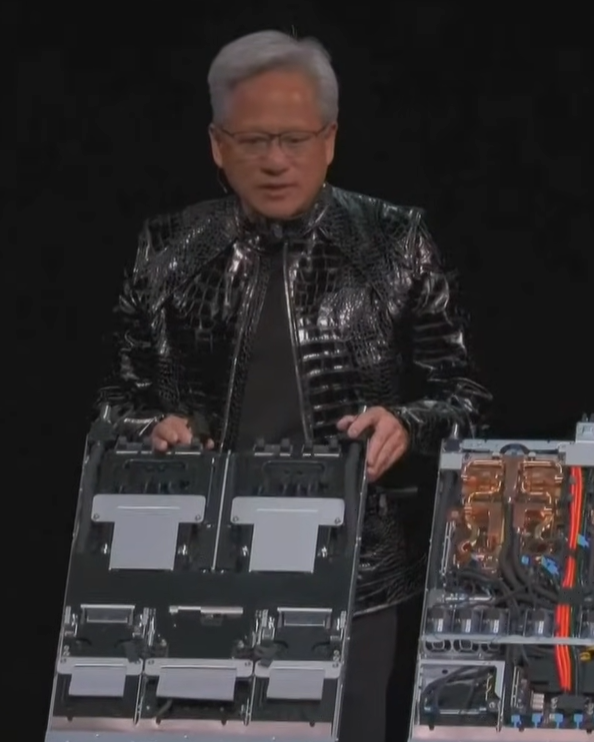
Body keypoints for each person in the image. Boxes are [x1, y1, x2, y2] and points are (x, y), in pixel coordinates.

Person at [100, 30, 490, 742]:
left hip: (357, 576)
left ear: (330, 139)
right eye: (253, 141)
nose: (276, 160)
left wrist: (407, 425)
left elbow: (465, 402)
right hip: (197, 566)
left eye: (294, 139)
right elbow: (115, 403)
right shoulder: (168, 250)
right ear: (218, 146)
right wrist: (147, 430)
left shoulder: (395, 241)